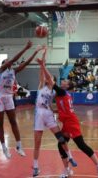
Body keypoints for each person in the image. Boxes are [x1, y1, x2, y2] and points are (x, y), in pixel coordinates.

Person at [36, 58, 98, 178]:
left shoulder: (62, 92)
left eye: (66, 82)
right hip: (67, 122)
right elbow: (65, 108)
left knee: (81, 145)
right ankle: (67, 170)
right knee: (61, 145)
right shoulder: (62, 95)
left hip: (71, 123)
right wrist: (55, 110)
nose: (64, 81)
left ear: (67, 87)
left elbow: (50, 80)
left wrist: (43, 65)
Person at [0, 41, 43, 159]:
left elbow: (26, 63)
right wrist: (26, 48)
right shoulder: (2, 69)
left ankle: (19, 145)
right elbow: (13, 60)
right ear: (4, 63)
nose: (9, 61)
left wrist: (35, 52)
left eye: (9, 61)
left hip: (8, 96)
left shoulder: (13, 71)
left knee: (13, 122)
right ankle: (4, 147)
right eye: (7, 60)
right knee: (0, 124)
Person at [32, 47, 77, 177]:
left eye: (50, 78)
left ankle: (70, 157)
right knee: (37, 142)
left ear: (52, 80)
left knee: (61, 138)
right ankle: (35, 167)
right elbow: (43, 70)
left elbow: (49, 77)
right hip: (39, 113)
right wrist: (44, 54)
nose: (47, 78)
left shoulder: (54, 91)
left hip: (48, 114)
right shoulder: (41, 85)